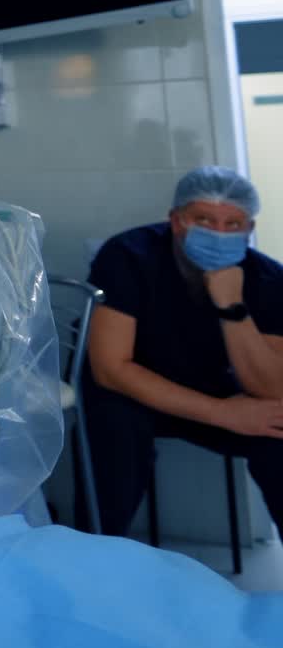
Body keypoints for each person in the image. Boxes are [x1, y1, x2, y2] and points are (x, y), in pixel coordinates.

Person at [83, 166, 283, 536]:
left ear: (249, 230)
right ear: (176, 221)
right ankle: (93, 554)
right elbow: (110, 369)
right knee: (114, 429)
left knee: (278, 429)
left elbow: (273, 389)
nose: (218, 233)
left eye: (233, 224)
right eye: (203, 220)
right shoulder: (128, 256)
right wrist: (222, 413)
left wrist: (232, 306)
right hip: (132, 394)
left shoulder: (268, 279)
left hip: (216, 388)